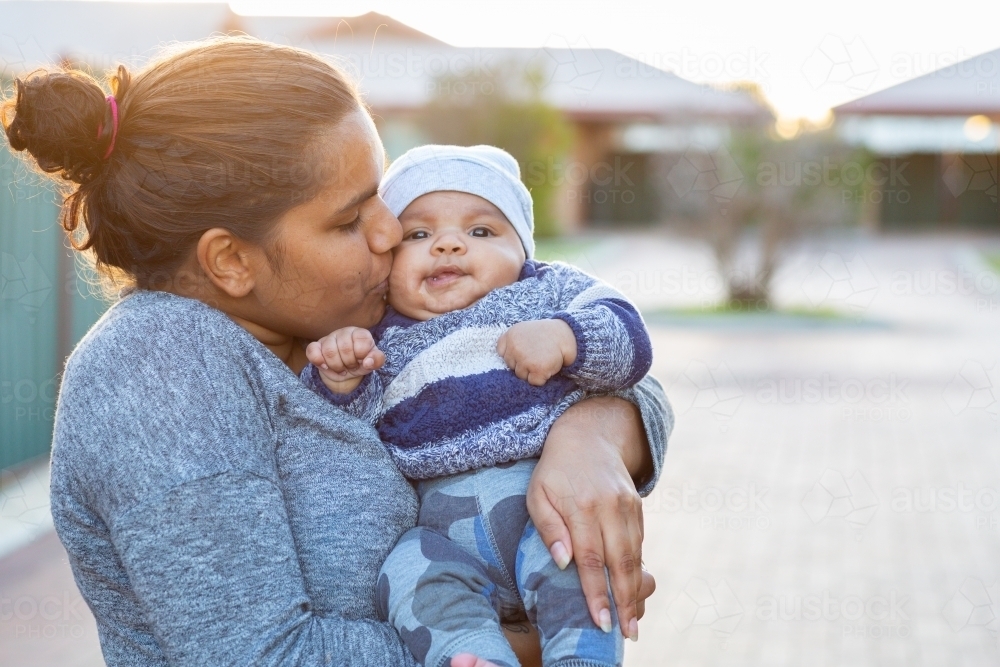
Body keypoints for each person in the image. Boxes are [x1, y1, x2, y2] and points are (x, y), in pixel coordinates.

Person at [1, 37, 672, 666]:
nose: (391, 232)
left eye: (381, 199)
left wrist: (592, 438)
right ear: (231, 260)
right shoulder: (160, 365)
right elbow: (260, 655)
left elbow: (584, 347)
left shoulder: (330, 313)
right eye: (351, 219)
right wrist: (525, 642)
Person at [304, 145, 655, 667]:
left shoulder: (545, 293)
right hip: (442, 535)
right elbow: (345, 434)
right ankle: (473, 655)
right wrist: (341, 378)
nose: (447, 244)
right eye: (418, 235)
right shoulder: (381, 336)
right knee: (405, 572)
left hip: (548, 510)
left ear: (523, 253)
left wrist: (567, 336)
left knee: (578, 571)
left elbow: (631, 340)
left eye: (481, 232)